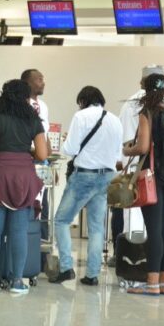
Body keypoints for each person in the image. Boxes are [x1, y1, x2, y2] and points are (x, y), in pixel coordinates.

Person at [0, 79, 48, 295]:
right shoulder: (33, 120)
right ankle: (17, 282)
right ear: (26, 97)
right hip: (24, 176)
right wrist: (26, 152)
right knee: (19, 231)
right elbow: (42, 154)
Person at [51, 86, 123, 286]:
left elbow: (70, 149)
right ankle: (92, 275)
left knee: (61, 221)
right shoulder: (115, 120)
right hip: (107, 177)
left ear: (82, 101)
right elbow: (118, 156)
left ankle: (66, 268)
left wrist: (67, 141)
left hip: (85, 176)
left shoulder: (80, 116)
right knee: (97, 227)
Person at [121, 73, 164, 296]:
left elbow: (143, 147)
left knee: (153, 230)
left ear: (144, 88)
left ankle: (151, 282)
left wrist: (127, 150)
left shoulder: (147, 113)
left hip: (152, 177)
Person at [111, 65, 164, 265]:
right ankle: (155, 265)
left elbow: (126, 137)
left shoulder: (133, 104)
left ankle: (125, 256)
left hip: (135, 168)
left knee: (127, 211)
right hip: (159, 171)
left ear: (142, 82)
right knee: (156, 223)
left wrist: (123, 155)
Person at [21, 69, 51, 240]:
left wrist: (48, 151)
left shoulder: (44, 106)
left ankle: (42, 244)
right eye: (39, 79)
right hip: (27, 161)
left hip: (43, 163)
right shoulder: (21, 105)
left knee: (43, 201)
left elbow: (44, 132)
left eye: (43, 78)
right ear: (28, 83)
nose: (43, 82)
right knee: (27, 202)